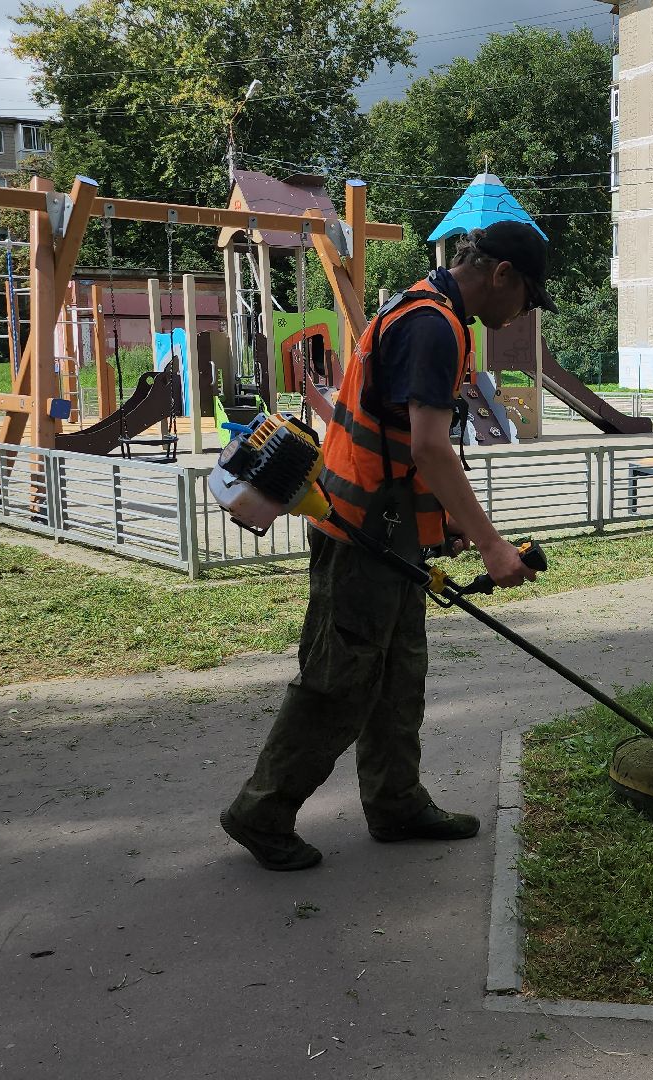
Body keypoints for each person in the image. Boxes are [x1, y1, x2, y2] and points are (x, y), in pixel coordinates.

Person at [220, 221, 554, 872]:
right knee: (338, 681)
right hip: (360, 531)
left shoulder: (427, 310)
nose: (525, 314)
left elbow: (406, 448)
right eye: (530, 299)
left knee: (400, 677)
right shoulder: (434, 326)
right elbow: (430, 446)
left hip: (388, 526)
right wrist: (491, 546)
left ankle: (396, 802)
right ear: (502, 275)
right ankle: (261, 810)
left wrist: (444, 525)